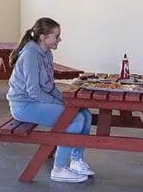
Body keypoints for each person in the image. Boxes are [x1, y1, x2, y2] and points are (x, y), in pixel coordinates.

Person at [6, 17, 94, 183]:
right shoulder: (31, 55)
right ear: (43, 37)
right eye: (57, 36)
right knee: (74, 118)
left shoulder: (46, 53)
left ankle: (76, 161)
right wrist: (61, 106)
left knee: (85, 114)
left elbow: (49, 85)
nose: (60, 39)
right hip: (24, 105)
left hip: (37, 101)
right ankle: (59, 169)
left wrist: (65, 101)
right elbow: (33, 91)